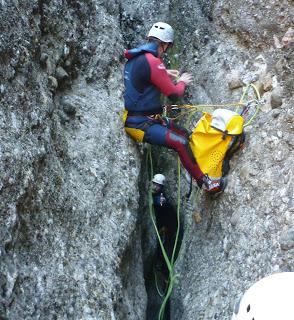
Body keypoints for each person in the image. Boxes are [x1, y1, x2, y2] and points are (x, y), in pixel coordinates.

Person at [123, 22, 219, 192]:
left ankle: (199, 166)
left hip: (146, 118)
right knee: (180, 142)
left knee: (185, 134)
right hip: (140, 124)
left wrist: (164, 73)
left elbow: (142, 76)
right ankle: (205, 183)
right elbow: (174, 94)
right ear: (165, 44)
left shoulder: (137, 58)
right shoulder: (153, 62)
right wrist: (182, 82)